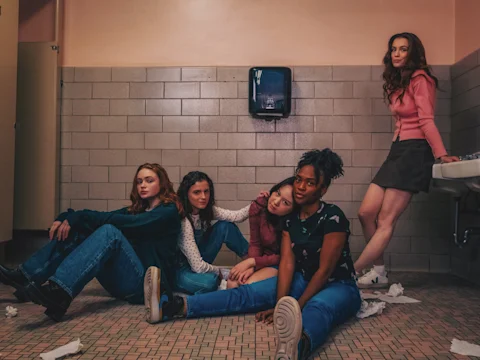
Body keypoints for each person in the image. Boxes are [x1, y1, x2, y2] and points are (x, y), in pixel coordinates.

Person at [144, 149, 361, 360]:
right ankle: (172, 307)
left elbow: (324, 272)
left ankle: (298, 346)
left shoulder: (333, 217)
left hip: (338, 285)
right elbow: (286, 263)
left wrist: (297, 305)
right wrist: (280, 304)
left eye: (310, 182)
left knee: (318, 307)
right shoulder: (290, 220)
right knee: (247, 295)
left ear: (322, 189)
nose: (301, 187)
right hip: (302, 278)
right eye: (298, 179)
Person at [0, 163, 182, 321]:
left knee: (109, 232)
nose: (142, 185)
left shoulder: (167, 212)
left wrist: (79, 217)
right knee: (86, 228)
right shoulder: (137, 209)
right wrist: (68, 218)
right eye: (139, 181)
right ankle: (27, 278)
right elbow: (101, 217)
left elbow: (125, 223)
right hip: (125, 280)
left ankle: (59, 292)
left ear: (162, 183)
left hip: (147, 287)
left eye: (149, 180)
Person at [355, 32, 460, 288]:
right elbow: (401, 122)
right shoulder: (397, 82)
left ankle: (346, 273)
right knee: (366, 212)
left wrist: (440, 154)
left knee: (385, 220)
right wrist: (395, 148)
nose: (397, 54)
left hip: (415, 152)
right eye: (394, 49)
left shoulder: (421, 79)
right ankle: (378, 271)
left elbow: (426, 120)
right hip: (399, 149)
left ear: (413, 53)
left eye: (403, 49)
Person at [174, 171, 251, 294]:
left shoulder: (207, 210)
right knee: (209, 283)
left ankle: (254, 262)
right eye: (197, 192)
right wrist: (224, 272)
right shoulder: (183, 220)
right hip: (182, 269)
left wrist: (258, 203)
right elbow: (198, 267)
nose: (203, 197)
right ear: (186, 194)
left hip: (199, 258)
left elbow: (237, 216)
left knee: (225, 226)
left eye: (206, 191)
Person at [227, 177, 296, 289]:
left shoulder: (292, 222)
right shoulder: (258, 206)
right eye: (277, 193)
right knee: (232, 282)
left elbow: (284, 257)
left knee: (248, 286)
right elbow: (255, 243)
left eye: (285, 202)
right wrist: (251, 266)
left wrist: (252, 262)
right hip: (260, 258)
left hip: (279, 263)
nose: (276, 202)